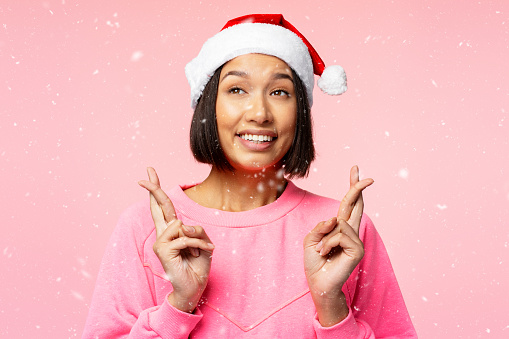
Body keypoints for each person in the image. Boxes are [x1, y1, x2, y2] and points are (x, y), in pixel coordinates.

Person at [83, 14, 417, 338]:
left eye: (279, 92)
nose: (259, 113)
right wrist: (179, 304)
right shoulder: (146, 229)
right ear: (208, 106)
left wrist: (332, 306)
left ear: (300, 113)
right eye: (237, 90)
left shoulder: (342, 234)